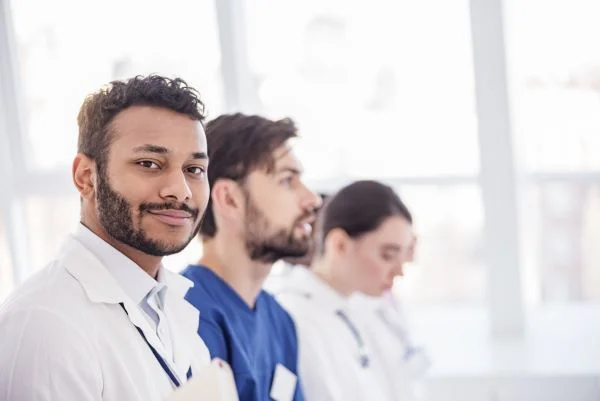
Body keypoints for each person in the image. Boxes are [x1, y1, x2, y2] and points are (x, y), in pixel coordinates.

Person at [0, 75, 214, 401]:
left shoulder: (167, 306)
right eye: (149, 163)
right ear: (86, 178)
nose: (180, 191)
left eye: (194, 169)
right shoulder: (45, 325)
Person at [181, 113, 321, 401]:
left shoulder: (280, 321)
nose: (313, 199)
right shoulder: (188, 317)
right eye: (287, 181)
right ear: (230, 199)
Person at [275, 180, 414, 401]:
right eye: (388, 255)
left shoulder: (350, 307)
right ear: (339, 244)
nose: (399, 272)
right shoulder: (298, 317)